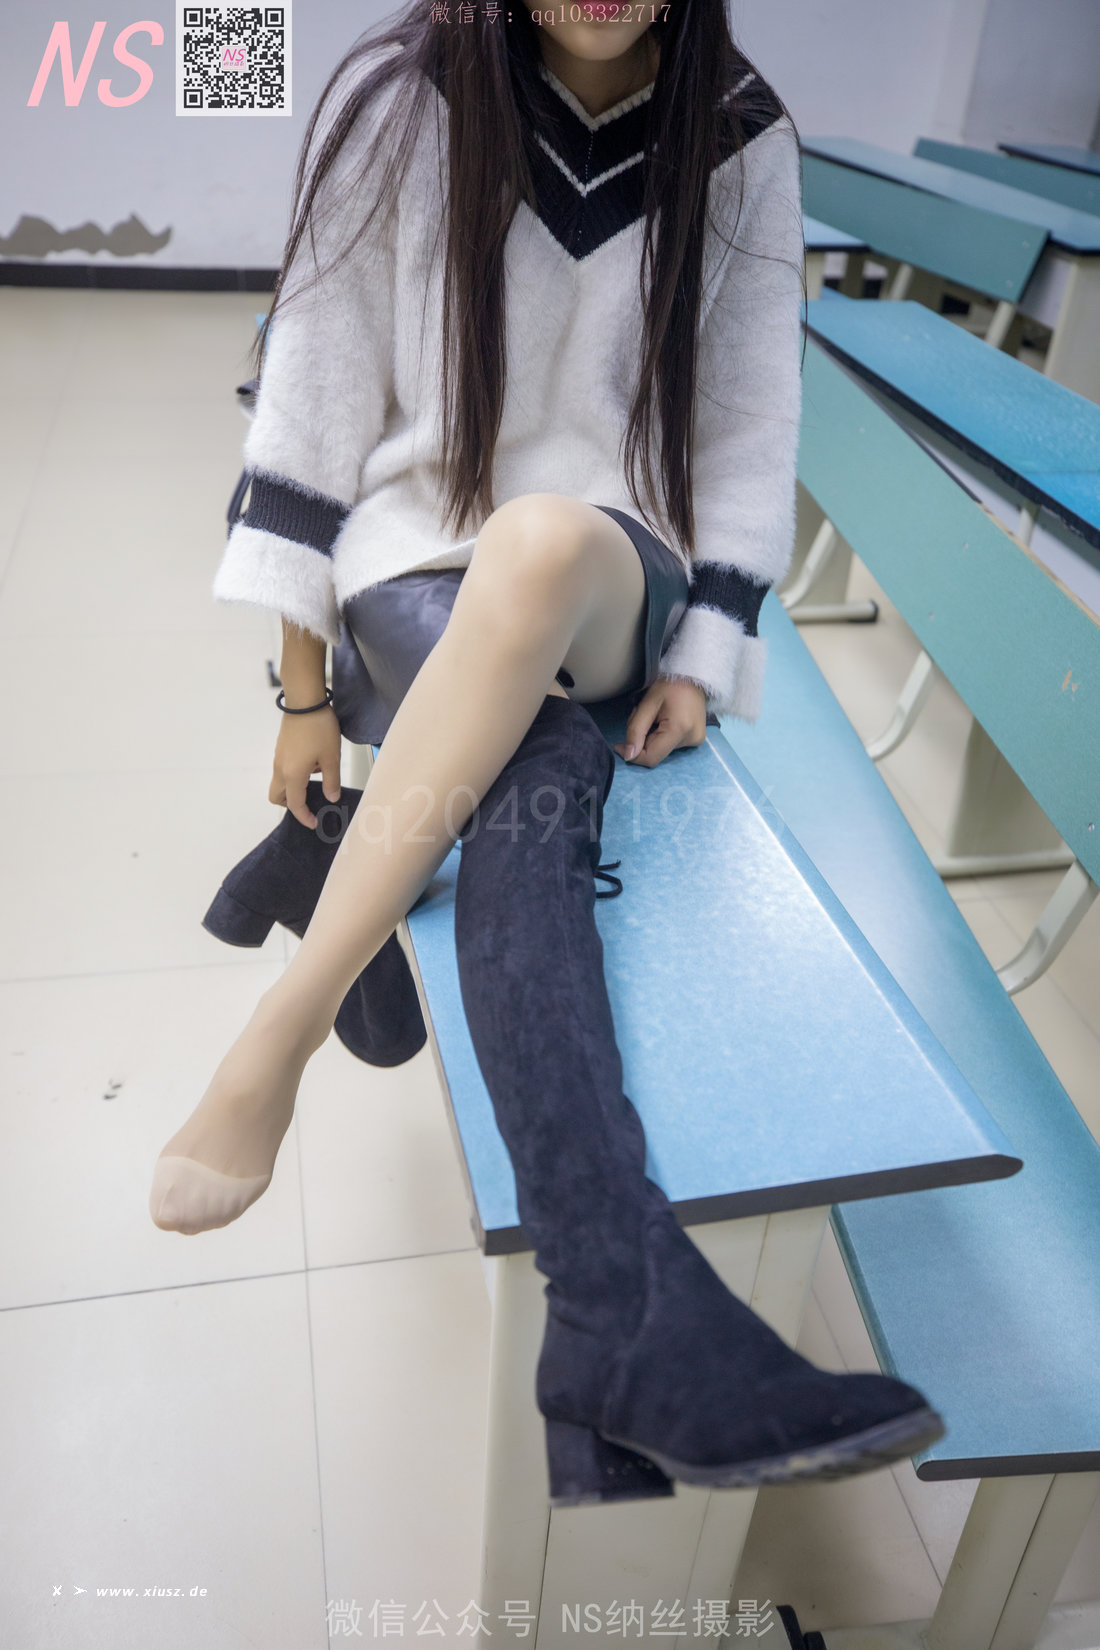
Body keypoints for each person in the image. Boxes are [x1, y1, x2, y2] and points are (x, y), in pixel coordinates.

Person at [149, 0, 945, 1504]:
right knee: (534, 783)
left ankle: (287, 1021)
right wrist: (303, 693)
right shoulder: (402, 95)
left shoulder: (740, 135)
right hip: (410, 563)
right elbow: (312, 396)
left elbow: (746, 414)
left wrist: (706, 647)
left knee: (534, 543)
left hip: (604, 566)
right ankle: (613, 1320)